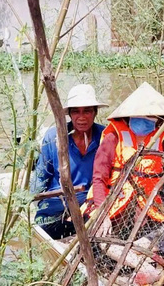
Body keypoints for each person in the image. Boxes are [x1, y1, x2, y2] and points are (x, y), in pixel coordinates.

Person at [89, 82, 164, 284]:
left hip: (147, 209)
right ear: (129, 117)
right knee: (101, 238)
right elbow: (98, 178)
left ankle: (142, 258)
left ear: (158, 122)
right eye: (139, 117)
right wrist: (102, 213)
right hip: (114, 207)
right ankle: (143, 266)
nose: (144, 122)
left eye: (150, 119)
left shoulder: (162, 145)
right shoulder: (113, 139)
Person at [32, 84, 107, 239]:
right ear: (69, 115)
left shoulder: (105, 136)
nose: (81, 117)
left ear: (94, 112)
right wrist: (30, 199)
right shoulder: (54, 137)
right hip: (57, 204)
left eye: (87, 111)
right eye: (76, 111)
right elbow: (40, 178)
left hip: (89, 205)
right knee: (50, 227)